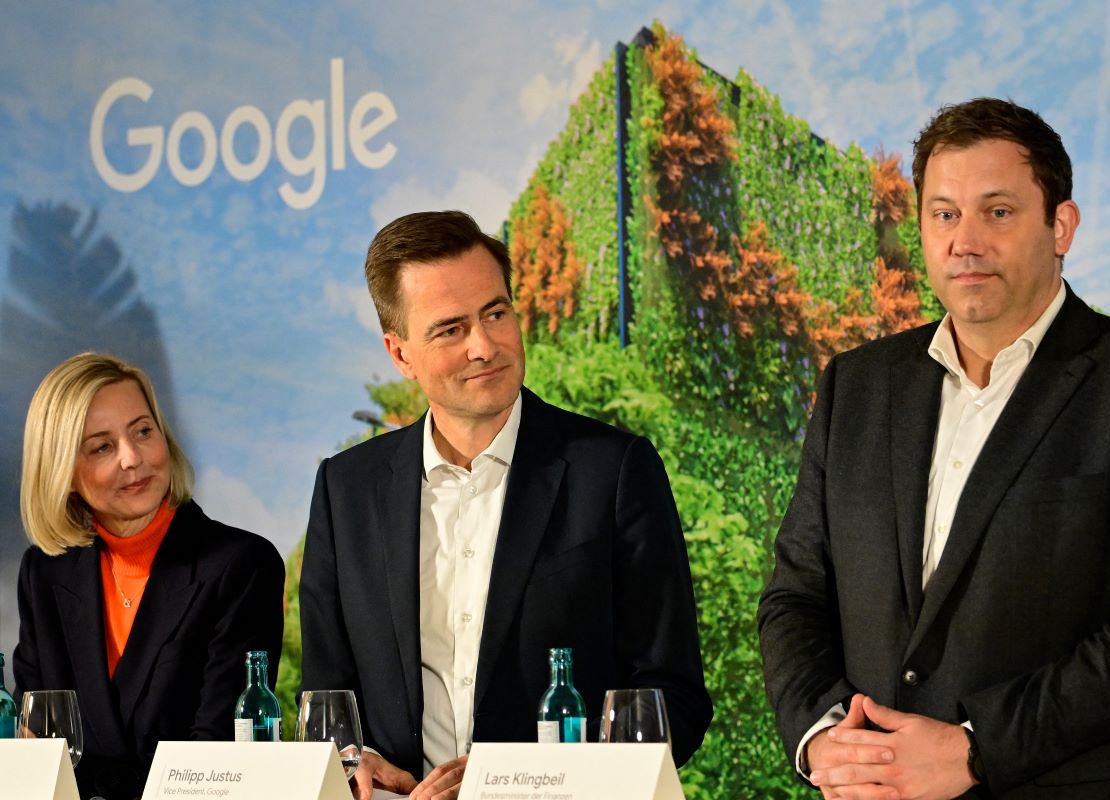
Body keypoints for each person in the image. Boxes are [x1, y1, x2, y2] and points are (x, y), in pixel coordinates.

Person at [758, 97, 1110, 799]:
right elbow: (795, 596)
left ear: (1061, 226)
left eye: (998, 212)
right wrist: (824, 737)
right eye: (943, 213)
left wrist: (976, 749)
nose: (966, 241)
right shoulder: (856, 387)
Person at [300, 210, 711, 800]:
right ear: (400, 353)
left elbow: (672, 693)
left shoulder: (615, 470)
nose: (484, 346)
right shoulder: (346, 491)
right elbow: (327, 705)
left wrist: (531, 784)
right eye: (450, 329)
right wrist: (350, 762)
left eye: (496, 313)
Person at [14, 353, 285, 800]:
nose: (132, 458)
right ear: (63, 473)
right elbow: (38, 753)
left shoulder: (241, 566)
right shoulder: (44, 572)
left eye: (143, 431)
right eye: (101, 446)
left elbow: (215, 764)